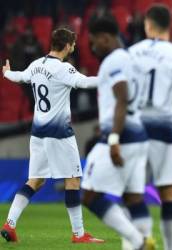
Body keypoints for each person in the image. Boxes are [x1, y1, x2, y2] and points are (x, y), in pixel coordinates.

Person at [1, 28, 104, 244]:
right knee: (73, 179)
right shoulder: (63, 69)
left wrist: (7, 73)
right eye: (73, 44)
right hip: (59, 135)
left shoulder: (37, 64)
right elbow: (85, 82)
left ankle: (9, 224)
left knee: (35, 181)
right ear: (66, 45)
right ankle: (79, 234)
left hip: (37, 134)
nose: (74, 48)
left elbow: (20, 77)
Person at [127, 5, 172, 250]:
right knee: (169, 195)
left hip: (134, 130)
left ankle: (138, 243)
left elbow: (119, 95)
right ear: (170, 25)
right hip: (165, 132)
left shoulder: (131, 53)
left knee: (133, 194)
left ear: (147, 24)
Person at [80, 15, 153, 250]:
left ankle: (138, 241)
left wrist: (113, 139)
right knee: (133, 198)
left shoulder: (114, 60)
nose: (92, 48)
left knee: (90, 196)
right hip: (138, 134)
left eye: (93, 42)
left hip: (120, 136)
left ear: (105, 38)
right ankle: (143, 241)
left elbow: (121, 97)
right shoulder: (132, 58)